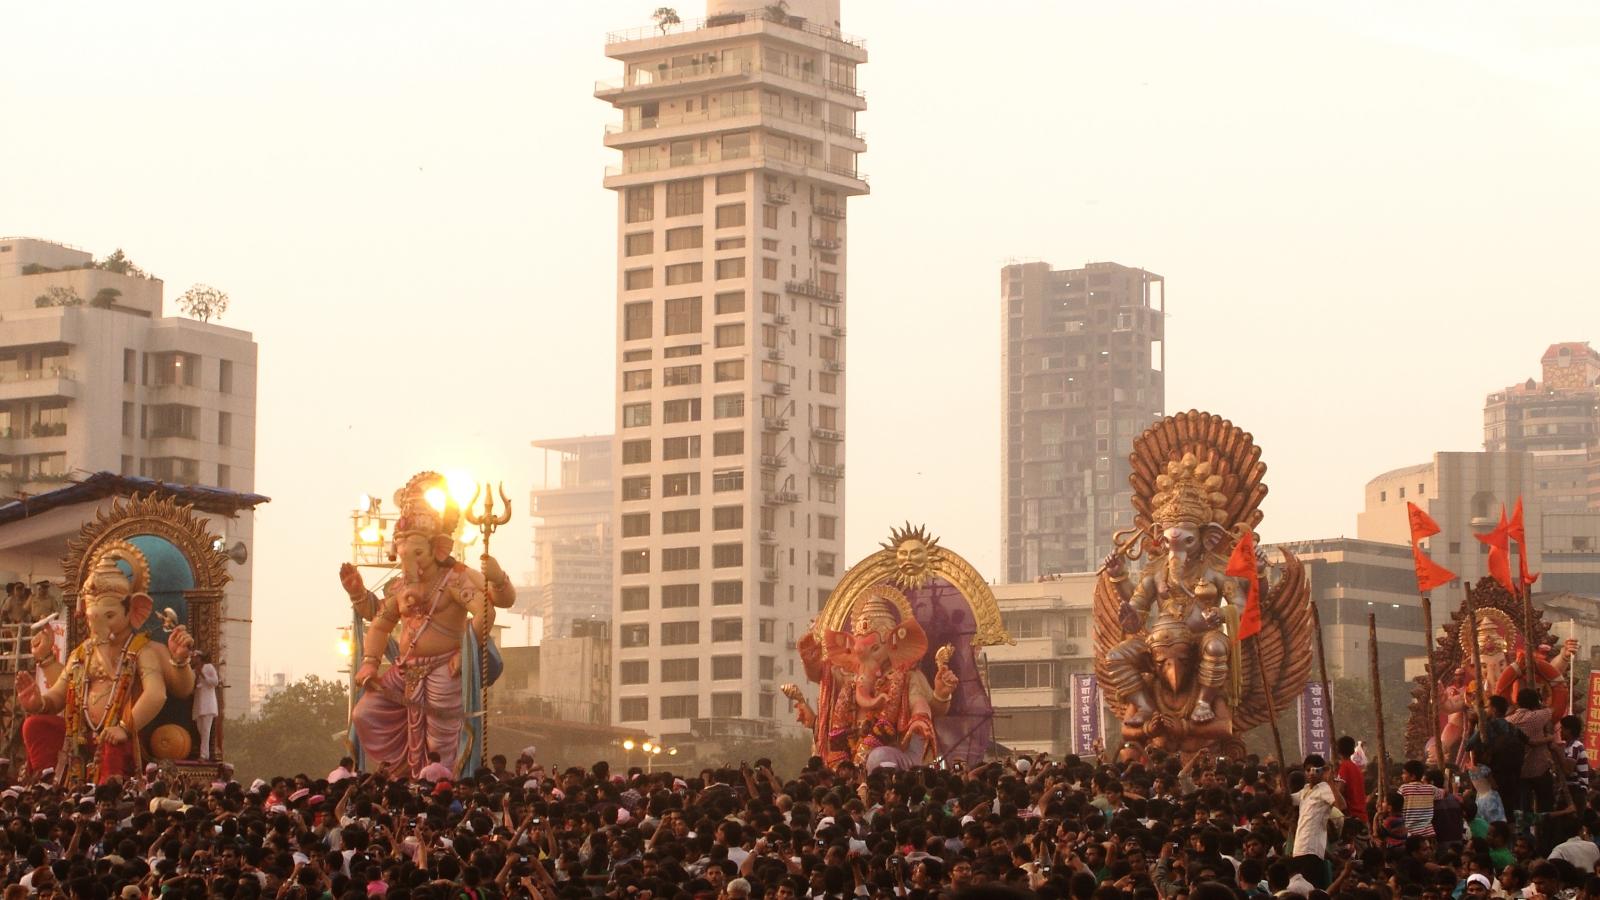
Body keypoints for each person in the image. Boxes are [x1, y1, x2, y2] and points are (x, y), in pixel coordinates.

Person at [1290, 754, 1345, 889]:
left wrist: (1330, 782)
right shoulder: (1305, 790)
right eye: (1308, 770)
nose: (1311, 773)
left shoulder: (1324, 788)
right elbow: (1287, 800)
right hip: (1299, 849)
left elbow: (1341, 805)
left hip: (1312, 849)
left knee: (1311, 888)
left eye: (1315, 770)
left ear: (1322, 771)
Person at [1506, 688, 1557, 821]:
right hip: (1540, 769)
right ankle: (1545, 830)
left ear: (1517, 702)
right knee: (1546, 806)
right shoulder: (1538, 716)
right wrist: (1549, 738)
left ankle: (1525, 832)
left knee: (1523, 811)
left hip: (1520, 772)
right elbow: (1552, 710)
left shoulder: (1508, 721)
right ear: (1536, 703)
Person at [191, 649, 220, 760]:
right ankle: (204, 753)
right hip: (199, 704)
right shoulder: (194, 671)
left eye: (194, 657)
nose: (193, 659)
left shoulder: (209, 667)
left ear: (199, 658)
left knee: (206, 730)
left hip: (208, 704)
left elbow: (215, 682)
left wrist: (202, 675)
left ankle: (204, 755)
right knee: (201, 730)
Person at [1334, 735, 1367, 824]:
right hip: (1362, 816)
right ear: (1353, 750)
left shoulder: (1344, 767)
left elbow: (1339, 792)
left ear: (1337, 750)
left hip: (1351, 818)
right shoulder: (1356, 768)